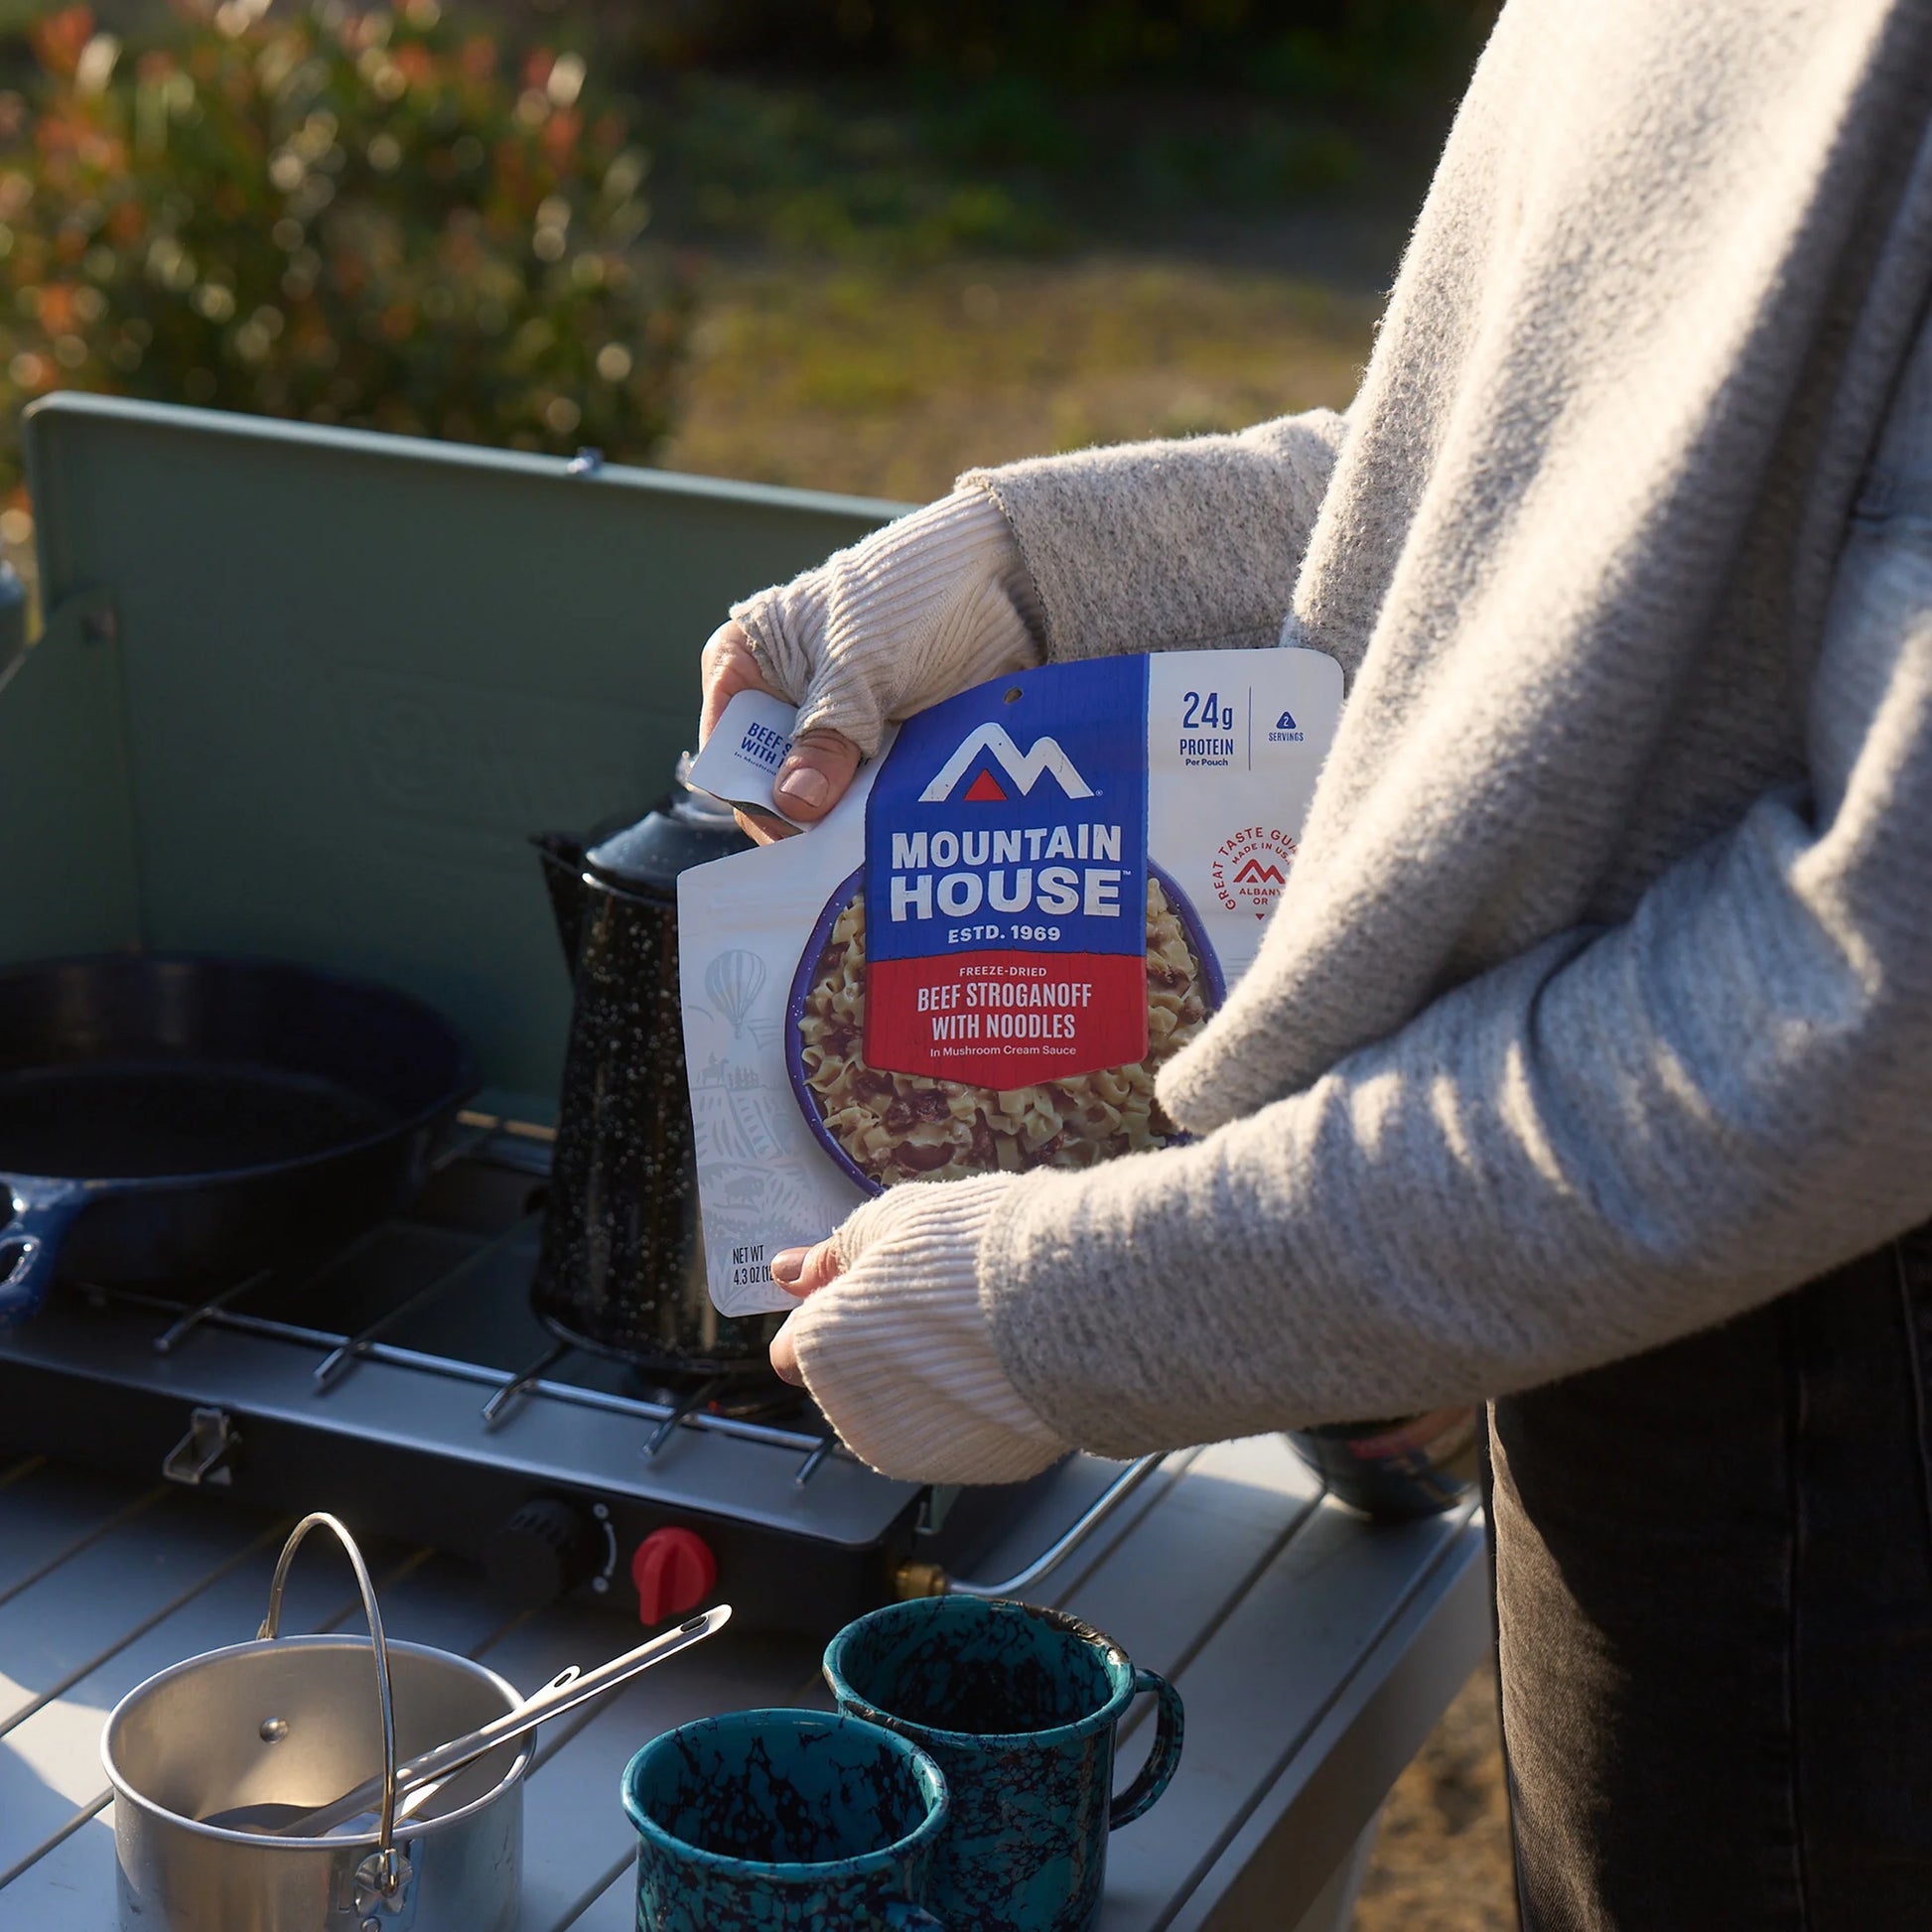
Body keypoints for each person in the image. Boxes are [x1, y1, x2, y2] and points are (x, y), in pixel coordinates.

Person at [695, 3, 1932, 1924]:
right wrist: (1039, 576)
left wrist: (1072, 1308)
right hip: (1623, 1304)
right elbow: (1585, 477)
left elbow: (1867, 1008)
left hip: (1839, 1409)